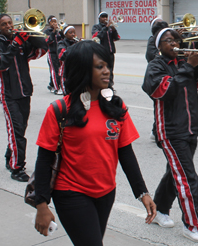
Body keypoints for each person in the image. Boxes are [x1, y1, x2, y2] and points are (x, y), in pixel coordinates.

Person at [33, 41, 157, 245]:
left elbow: (125, 153)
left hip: (106, 192)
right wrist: (41, 205)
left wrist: (142, 193)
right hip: (71, 192)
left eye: (107, 65)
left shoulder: (116, 107)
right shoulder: (59, 110)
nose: (107, 71)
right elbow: (44, 159)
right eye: (100, 66)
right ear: (82, 69)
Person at [142, 28, 198, 243]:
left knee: (175, 173)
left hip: (190, 128)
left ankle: (159, 210)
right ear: (158, 46)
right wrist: (189, 66)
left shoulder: (184, 64)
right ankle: (192, 225)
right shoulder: (155, 66)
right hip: (169, 131)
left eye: (176, 40)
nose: (174, 43)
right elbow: (164, 90)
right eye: (168, 41)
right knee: (186, 177)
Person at [0, 13, 48, 181]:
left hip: (24, 92)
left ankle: (10, 156)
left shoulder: (21, 41)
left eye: (10, 23)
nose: (8, 26)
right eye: (4, 24)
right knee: (17, 131)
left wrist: (31, 33)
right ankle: (17, 168)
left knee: (20, 129)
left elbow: (43, 49)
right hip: (8, 94)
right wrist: (15, 45)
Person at [44, 15, 63, 94]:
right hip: (51, 53)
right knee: (54, 71)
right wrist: (54, 31)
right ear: (49, 23)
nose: (55, 23)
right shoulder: (47, 32)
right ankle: (57, 88)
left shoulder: (59, 31)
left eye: (55, 21)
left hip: (58, 53)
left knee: (59, 70)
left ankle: (51, 84)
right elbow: (47, 41)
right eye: (53, 22)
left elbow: (62, 39)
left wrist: (61, 31)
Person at [57, 25, 78, 93]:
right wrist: (76, 46)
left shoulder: (76, 42)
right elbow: (62, 56)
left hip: (76, 72)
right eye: (70, 32)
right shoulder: (61, 43)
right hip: (65, 73)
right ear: (65, 34)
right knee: (67, 94)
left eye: (74, 32)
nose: (73, 34)